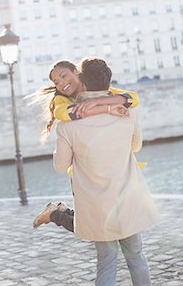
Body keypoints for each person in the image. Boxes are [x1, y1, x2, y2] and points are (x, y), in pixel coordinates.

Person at [38, 57, 159, 286]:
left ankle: (55, 214)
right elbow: (135, 147)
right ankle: (56, 214)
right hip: (127, 198)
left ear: (80, 80)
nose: (61, 82)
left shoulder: (68, 125)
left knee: (106, 262)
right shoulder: (127, 111)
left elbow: (60, 167)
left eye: (64, 76)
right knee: (136, 258)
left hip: (96, 205)